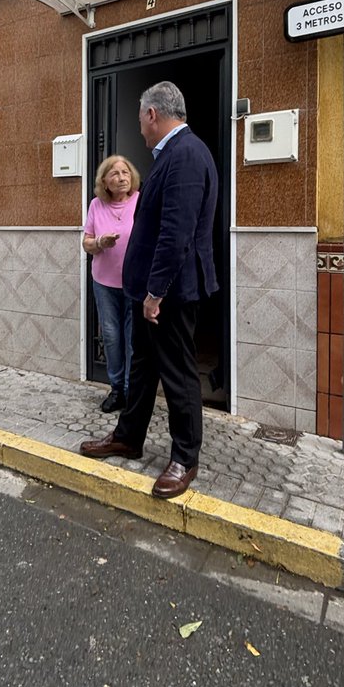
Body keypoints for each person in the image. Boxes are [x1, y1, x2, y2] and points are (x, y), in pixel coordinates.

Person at [79, 81, 218, 500]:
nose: (139, 128)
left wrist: (155, 292)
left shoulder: (186, 155)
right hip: (150, 293)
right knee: (142, 368)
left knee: (177, 375)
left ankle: (185, 457)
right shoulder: (173, 155)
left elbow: (175, 234)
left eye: (141, 119)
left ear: (153, 114)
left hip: (170, 294)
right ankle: (128, 436)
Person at [82, 155, 141, 413]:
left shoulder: (140, 201)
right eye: (115, 173)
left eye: (125, 171)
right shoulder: (97, 205)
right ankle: (116, 389)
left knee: (131, 338)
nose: (121, 177)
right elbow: (86, 242)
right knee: (111, 336)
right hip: (104, 283)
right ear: (104, 181)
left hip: (134, 282)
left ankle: (131, 390)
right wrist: (100, 244)